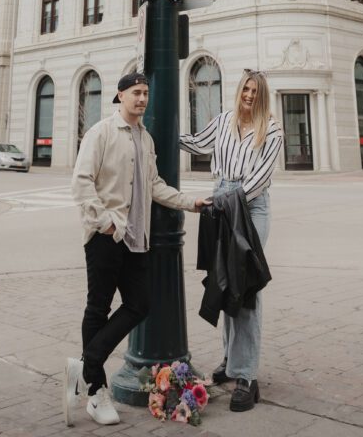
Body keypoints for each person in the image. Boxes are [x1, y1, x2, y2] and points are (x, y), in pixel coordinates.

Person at [65, 71, 210, 427]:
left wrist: (191, 202)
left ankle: (85, 366)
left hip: (136, 240)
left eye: (145, 93)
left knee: (139, 304)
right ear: (120, 96)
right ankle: (96, 393)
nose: (142, 99)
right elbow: (81, 181)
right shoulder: (100, 132)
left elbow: (156, 185)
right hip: (106, 236)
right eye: (135, 93)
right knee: (98, 308)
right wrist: (106, 223)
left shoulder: (145, 139)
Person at [179, 69, 282, 412]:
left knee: (245, 287)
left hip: (250, 207)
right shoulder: (223, 120)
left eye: (256, 91)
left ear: (262, 95)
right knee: (225, 285)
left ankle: (247, 376)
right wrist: (163, 133)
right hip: (222, 198)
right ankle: (231, 362)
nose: (250, 95)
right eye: (246, 89)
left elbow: (260, 178)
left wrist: (228, 202)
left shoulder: (272, 128)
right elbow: (196, 143)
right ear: (239, 91)